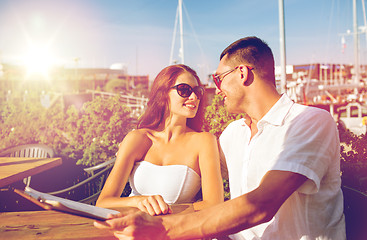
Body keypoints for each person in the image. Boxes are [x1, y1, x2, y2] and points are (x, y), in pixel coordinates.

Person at [94, 37, 346, 240]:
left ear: (243, 73)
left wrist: (162, 228)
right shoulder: (233, 134)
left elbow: (260, 205)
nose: (215, 88)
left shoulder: (309, 121)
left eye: (217, 78)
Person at [95, 64, 224, 216]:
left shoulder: (204, 141)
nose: (194, 97)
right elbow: (104, 202)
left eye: (198, 91)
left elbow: (214, 204)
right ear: (163, 93)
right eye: (184, 90)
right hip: (132, 229)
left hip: (177, 231)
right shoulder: (138, 138)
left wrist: (167, 213)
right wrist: (138, 201)